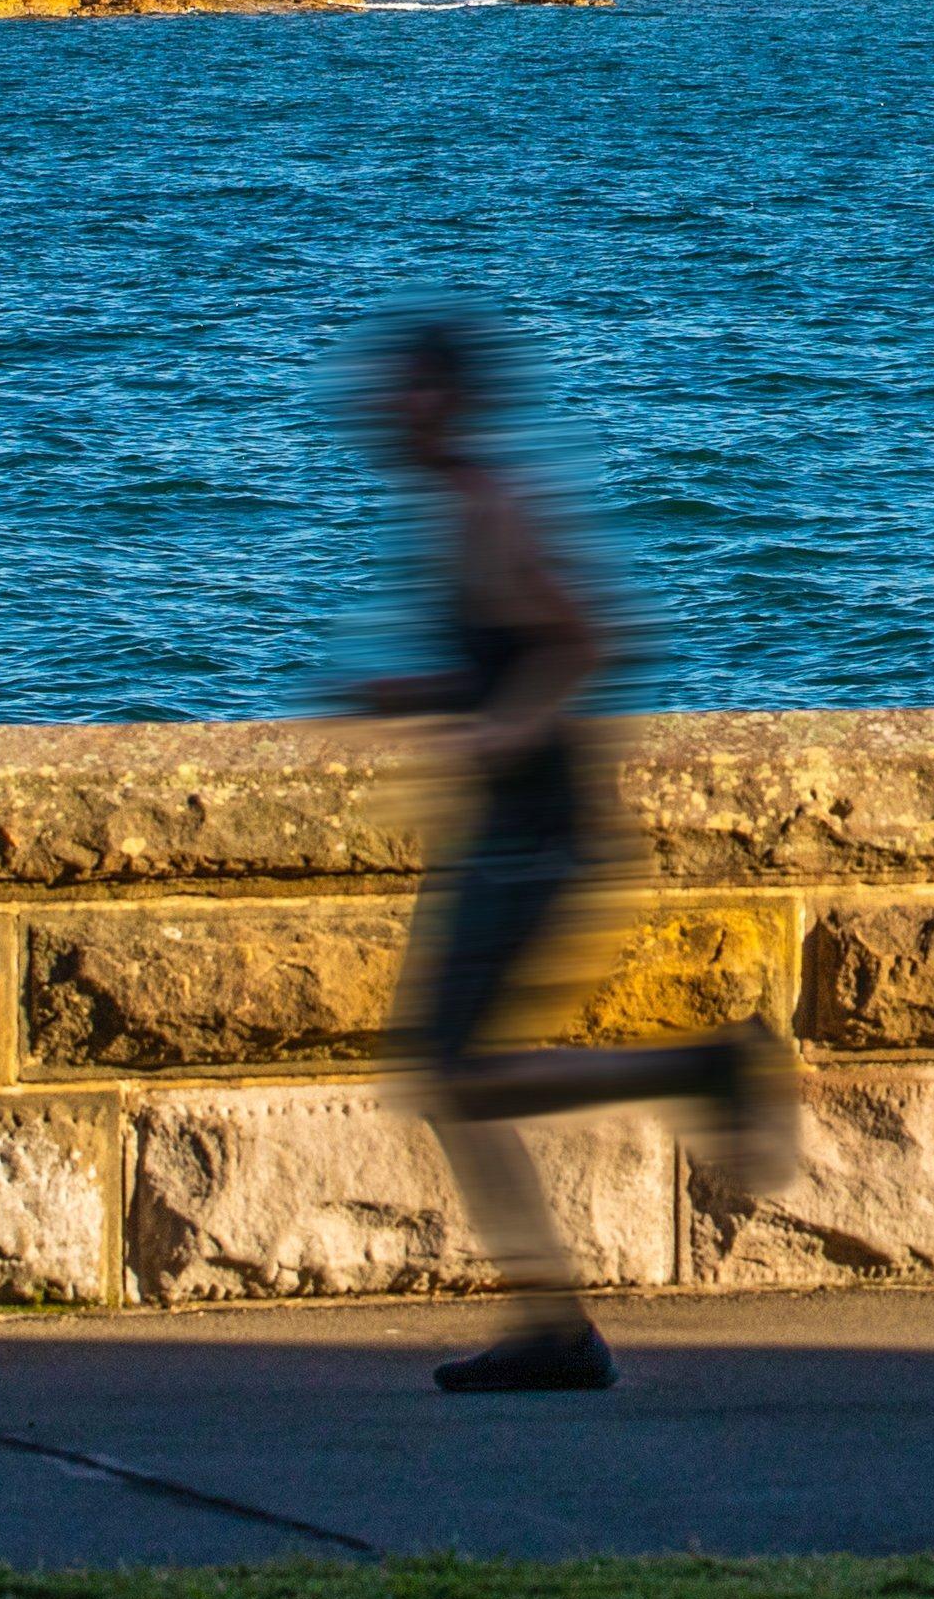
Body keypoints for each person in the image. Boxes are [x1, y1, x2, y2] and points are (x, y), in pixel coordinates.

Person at [338, 312, 799, 1394]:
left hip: (538, 834)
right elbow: (507, 659)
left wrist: (504, 725)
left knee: (455, 1071)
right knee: (450, 1076)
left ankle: (704, 1070)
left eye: (403, 386)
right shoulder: (455, 509)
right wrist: (416, 697)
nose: (380, 405)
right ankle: (551, 1320)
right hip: (500, 830)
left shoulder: (490, 505)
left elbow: (590, 639)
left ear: (448, 398)